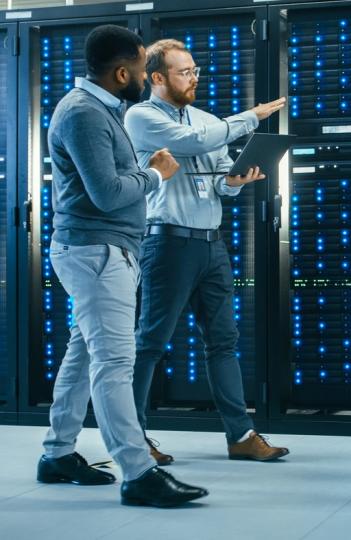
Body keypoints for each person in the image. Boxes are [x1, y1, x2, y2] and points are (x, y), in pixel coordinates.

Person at [37, 24, 208, 507]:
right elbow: (108, 194)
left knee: (84, 356)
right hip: (96, 252)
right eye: (139, 69)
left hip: (103, 251)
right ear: (120, 72)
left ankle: (57, 453)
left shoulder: (100, 109)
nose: (145, 77)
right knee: (115, 363)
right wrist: (155, 173)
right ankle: (139, 472)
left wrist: (141, 171)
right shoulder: (84, 114)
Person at [125, 39, 288, 463]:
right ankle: (134, 438)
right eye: (185, 72)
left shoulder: (205, 119)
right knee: (151, 343)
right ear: (158, 78)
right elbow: (195, 143)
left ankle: (241, 436)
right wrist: (251, 117)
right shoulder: (141, 116)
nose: (194, 78)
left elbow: (215, 174)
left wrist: (232, 183)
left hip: (211, 245)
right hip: (167, 243)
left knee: (223, 342)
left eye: (196, 70)